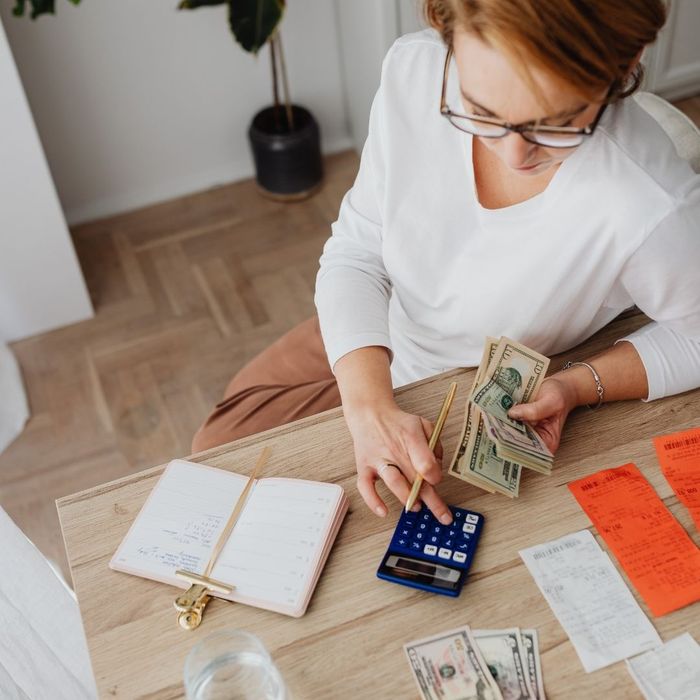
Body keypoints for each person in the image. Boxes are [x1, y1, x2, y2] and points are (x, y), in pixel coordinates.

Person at [193, 0, 700, 527]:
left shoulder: (650, 204)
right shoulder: (415, 72)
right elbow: (359, 249)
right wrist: (367, 405)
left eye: (557, 124)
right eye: (479, 110)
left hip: (455, 391)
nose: (513, 155)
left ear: (628, 60)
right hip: (383, 321)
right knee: (213, 446)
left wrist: (579, 384)